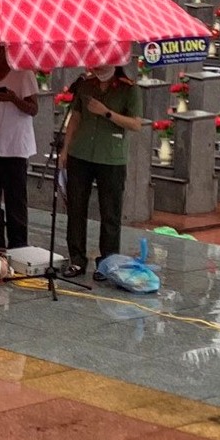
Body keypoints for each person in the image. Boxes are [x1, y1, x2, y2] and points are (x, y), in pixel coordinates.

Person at [61, 61, 143, 279]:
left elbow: (135, 124)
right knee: (76, 208)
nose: (98, 67)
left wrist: (106, 113)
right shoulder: (85, 85)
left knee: (110, 213)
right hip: (81, 153)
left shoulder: (129, 88)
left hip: (111, 157)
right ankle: (77, 259)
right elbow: (75, 118)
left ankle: (107, 263)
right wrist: (65, 150)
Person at [0, 44, 38, 252]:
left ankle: (18, 246)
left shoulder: (23, 74)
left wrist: (13, 98)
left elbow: (33, 109)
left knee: (15, 199)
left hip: (15, 147)